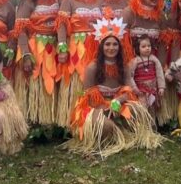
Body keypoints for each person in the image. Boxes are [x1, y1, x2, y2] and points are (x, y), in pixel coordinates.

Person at [65, 17, 162, 158]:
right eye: (107, 44)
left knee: (139, 112)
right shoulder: (92, 67)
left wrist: (118, 101)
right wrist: (105, 108)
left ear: (120, 46)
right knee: (105, 126)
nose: (111, 48)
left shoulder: (124, 66)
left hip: (117, 104)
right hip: (96, 107)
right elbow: (87, 97)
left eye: (115, 44)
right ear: (101, 46)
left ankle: (124, 135)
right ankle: (111, 134)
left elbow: (129, 89)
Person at [13, 0, 60, 126]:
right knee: (35, 82)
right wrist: (25, 53)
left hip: (53, 46)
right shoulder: (27, 2)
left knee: (52, 81)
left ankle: (52, 119)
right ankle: (35, 119)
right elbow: (21, 30)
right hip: (35, 47)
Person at [127, 36, 166, 113]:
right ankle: (144, 123)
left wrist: (161, 87)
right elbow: (130, 76)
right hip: (141, 91)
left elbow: (160, 73)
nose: (147, 48)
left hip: (153, 89)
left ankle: (153, 123)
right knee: (142, 108)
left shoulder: (154, 59)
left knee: (154, 107)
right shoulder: (135, 61)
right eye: (143, 46)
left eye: (149, 46)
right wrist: (134, 88)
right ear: (138, 48)